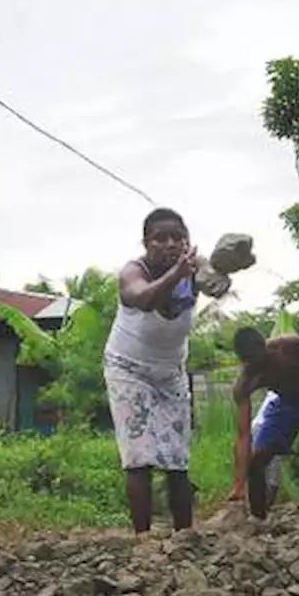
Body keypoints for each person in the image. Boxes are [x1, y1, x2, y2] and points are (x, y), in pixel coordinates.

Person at [103, 208, 198, 536]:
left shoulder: (194, 271)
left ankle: (185, 538)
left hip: (170, 372)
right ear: (146, 243)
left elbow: (221, 281)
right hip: (128, 369)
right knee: (139, 456)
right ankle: (142, 540)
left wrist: (221, 268)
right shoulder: (133, 272)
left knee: (177, 458)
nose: (170, 244)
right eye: (161, 238)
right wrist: (176, 273)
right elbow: (141, 298)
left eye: (177, 237)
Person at [229, 326, 299, 518]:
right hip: (283, 404)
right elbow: (243, 435)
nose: (255, 366)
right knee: (256, 461)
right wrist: (239, 484)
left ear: (264, 347)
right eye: (248, 362)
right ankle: (258, 518)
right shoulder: (246, 381)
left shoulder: (291, 346)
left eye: (257, 359)